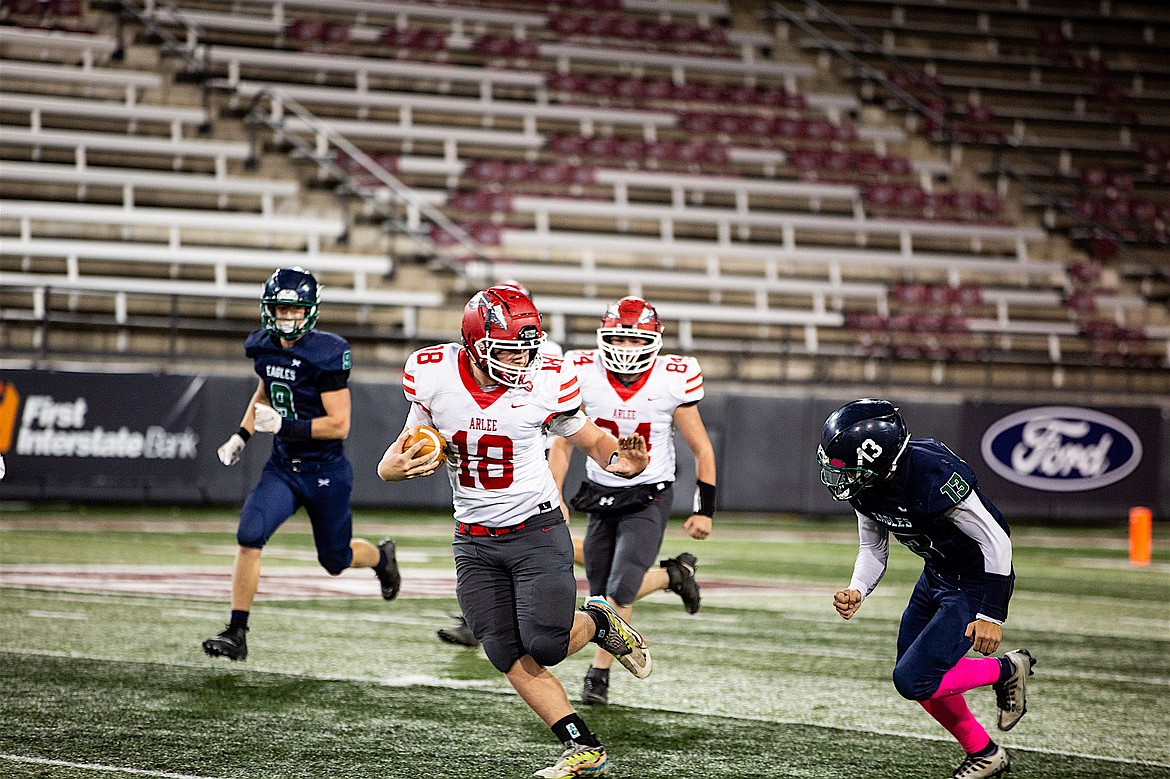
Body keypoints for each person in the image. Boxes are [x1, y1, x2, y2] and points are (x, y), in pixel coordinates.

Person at [378, 285, 652, 778]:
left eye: (527, 348)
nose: (520, 360)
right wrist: (389, 469)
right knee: (503, 649)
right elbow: (403, 447)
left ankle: (598, 621)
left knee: (544, 644)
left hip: (535, 528)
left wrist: (623, 462)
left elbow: (590, 438)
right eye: (507, 349)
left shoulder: (547, 379)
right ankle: (581, 746)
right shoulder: (433, 373)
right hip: (473, 537)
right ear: (474, 341)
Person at [819, 399, 1035, 779]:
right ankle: (985, 753)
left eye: (849, 468)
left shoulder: (933, 473)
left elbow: (997, 541)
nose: (841, 476)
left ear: (879, 462)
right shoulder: (867, 488)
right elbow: (873, 547)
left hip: (975, 581)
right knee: (918, 678)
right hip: (936, 574)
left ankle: (1006, 669)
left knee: (913, 679)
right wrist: (858, 588)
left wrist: (991, 614)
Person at [202, 267, 401, 662]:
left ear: (309, 312)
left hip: (325, 472)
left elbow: (339, 425)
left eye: (295, 311)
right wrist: (242, 435)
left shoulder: (326, 353)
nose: (286, 318)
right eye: (279, 309)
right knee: (249, 534)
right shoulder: (263, 345)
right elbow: (265, 390)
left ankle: (381, 558)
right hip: (283, 467)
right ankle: (236, 631)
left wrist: (284, 424)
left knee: (335, 560)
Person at [549, 296, 714, 706]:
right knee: (600, 590)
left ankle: (598, 674)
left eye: (636, 341)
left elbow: (702, 449)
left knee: (619, 592)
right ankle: (674, 575)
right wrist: (553, 495)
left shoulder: (673, 378)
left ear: (655, 342)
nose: (626, 350)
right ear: (604, 339)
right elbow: (564, 444)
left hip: (648, 494)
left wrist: (704, 509)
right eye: (619, 339)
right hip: (600, 492)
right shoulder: (582, 370)